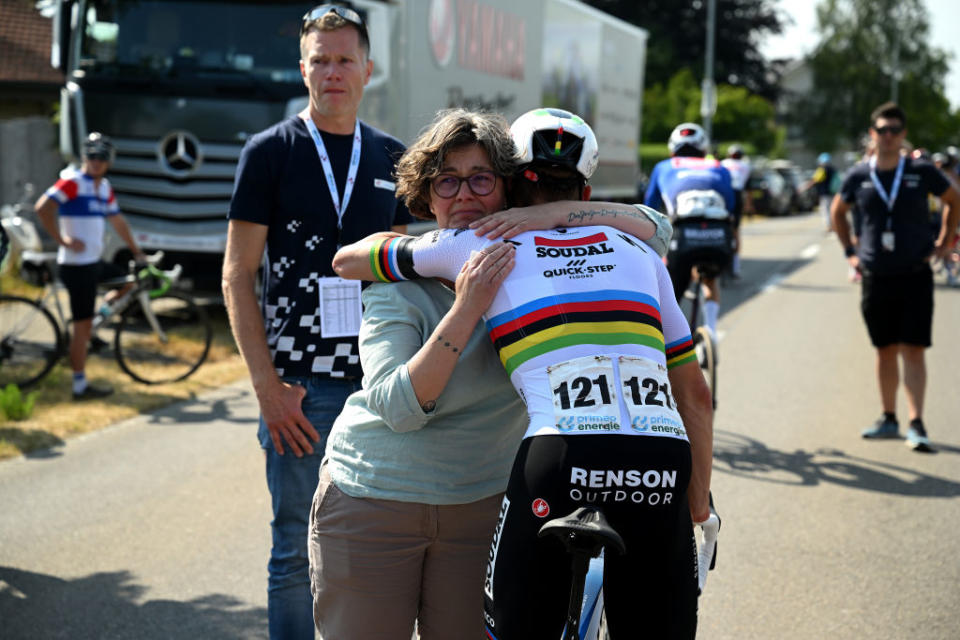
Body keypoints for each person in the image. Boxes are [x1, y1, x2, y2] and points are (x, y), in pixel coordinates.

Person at [328, 108, 714, 639]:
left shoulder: (478, 244)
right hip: (660, 460)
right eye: (449, 181)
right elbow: (695, 392)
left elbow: (348, 259)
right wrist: (699, 506)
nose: (465, 194)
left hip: (547, 463)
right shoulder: (638, 249)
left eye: (481, 179)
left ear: (509, 186)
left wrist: (534, 221)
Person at [221, 5, 412, 638]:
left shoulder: (393, 158)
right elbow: (236, 275)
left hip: (381, 388)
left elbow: (414, 276)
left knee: (378, 552)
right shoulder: (268, 153)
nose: (333, 71)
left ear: (368, 70)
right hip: (299, 390)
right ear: (303, 70)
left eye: (344, 59)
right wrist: (267, 390)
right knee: (293, 555)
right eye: (320, 60)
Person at [831, 102, 960, 452]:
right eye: (882, 130)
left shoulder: (919, 170)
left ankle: (916, 422)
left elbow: (953, 198)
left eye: (894, 131)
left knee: (914, 350)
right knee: (884, 349)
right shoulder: (860, 175)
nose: (888, 137)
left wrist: (945, 241)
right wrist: (850, 253)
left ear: (903, 135)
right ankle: (889, 418)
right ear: (873, 135)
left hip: (915, 273)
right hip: (876, 275)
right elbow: (837, 212)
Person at [33, 132, 146, 399]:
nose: (96, 162)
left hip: (93, 262)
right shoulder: (72, 181)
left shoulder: (103, 187)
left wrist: (137, 252)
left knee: (128, 282)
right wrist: (62, 240)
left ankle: (94, 324)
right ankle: (79, 386)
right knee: (80, 331)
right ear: (85, 157)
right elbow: (42, 208)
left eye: (102, 158)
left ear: (108, 162)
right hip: (76, 266)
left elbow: (117, 221)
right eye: (92, 156)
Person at [644, 122, 736, 336]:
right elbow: (730, 205)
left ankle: (671, 342)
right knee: (710, 278)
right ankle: (711, 331)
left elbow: (648, 209)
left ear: (672, 148)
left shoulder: (663, 167)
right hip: (719, 236)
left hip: (683, 236)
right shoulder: (719, 167)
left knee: (669, 292)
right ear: (704, 149)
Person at [721, 143, 753, 279]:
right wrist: (749, 206)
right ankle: (735, 266)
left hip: (723, 196)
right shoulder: (746, 166)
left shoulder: (722, 163)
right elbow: (748, 189)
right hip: (737, 196)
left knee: (721, 227)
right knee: (736, 231)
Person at [805, 152, 839, 231]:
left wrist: (805, 186)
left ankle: (829, 226)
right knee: (832, 209)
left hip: (824, 193)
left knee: (826, 210)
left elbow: (815, 180)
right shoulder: (833, 169)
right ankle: (835, 224)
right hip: (833, 192)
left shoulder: (822, 170)